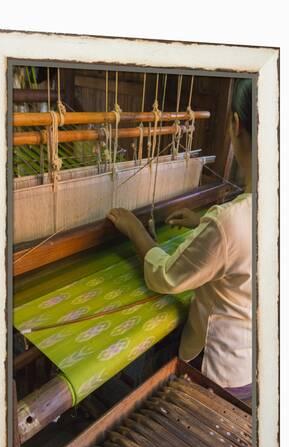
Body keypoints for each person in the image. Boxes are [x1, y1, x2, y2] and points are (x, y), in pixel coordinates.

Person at [107, 79, 252, 401]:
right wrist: (203, 222)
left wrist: (134, 228)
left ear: (235, 124)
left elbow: (166, 277)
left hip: (215, 375)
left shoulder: (229, 222)